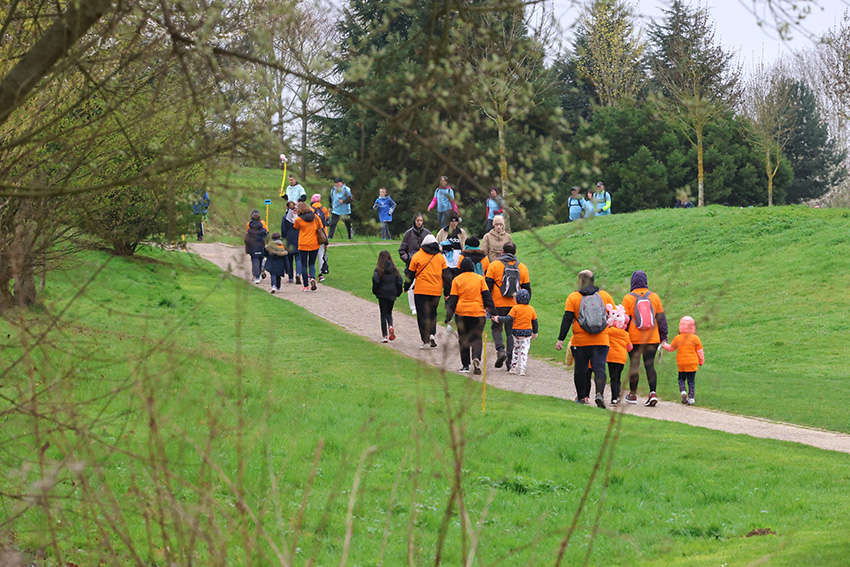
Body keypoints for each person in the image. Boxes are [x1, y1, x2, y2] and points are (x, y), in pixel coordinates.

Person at [554, 270, 615, 406]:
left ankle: (581, 397)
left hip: (580, 342)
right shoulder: (605, 296)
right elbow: (613, 316)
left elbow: (567, 319)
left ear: (581, 281)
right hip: (601, 340)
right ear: (593, 280)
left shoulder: (574, 297)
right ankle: (599, 394)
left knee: (580, 370)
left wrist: (561, 339)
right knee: (599, 368)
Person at [621, 270, 668, 406]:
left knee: (634, 366)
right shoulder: (654, 297)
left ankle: (633, 394)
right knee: (650, 365)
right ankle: (652, 392)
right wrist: (663, 336)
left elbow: (625, 320)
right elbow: (661, 319)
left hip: (634, 339)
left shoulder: (628, 298)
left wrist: (623, 337)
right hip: (652, 338)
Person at [444, 257, 495, 374]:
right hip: (477, 313)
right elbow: (487, 297)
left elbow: (452, 300)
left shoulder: (457, 280)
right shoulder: (480, 279)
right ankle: (476, 357)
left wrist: (448, 317)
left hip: (462, 313)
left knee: (463, 338)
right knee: (477, 337)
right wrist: (493, 312)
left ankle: (465, 365)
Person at [485, 241, 531, 371]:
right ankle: (510, 361)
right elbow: (527, 289)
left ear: (503, 252)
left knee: (496, 328)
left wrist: (488, 305)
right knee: (510, 332)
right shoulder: (522, 267)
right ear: (515, 253)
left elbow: (487, 287)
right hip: (514, 305)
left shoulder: (494, 265)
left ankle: (500, 350)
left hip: (497, 303)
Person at [404, 234, 447, 349]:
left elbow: (410, 274)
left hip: (421, 290)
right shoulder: (440, 257)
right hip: (436, 290)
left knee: (422, 314)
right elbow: (446, 276)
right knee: (432, 313)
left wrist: (406, 286)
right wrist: (447, 292)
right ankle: (432, 333)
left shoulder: (417, 256)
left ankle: (425, 340)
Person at [492, 288, 538, 376]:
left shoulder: (515, 308)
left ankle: (513, 367)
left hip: (516, 333)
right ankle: (522, 369)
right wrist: (535, 332)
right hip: (527, 334)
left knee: (516, 350)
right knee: (524, 351)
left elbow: (508, 318)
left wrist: (498, 319)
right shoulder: (531, 309)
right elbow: (535, 322)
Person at [661, 316, 705, 405]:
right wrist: (701, 361)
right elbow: (700, 352)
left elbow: (671, 348)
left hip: (681, 363)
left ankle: (683, 391)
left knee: (681, 378)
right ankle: (691, 397)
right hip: (692, 363)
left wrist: (664, 345)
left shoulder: (678, 338)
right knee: (691, 381)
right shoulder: (695, 338)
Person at [398, 213, 431, 316]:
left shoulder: (427, 233)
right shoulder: (408, 234)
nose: (419, 223)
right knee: (411, 285)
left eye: (421, 221)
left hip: (425, 264)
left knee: (425, 285)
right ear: (414, 221)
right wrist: (408, 259)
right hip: (412, 263)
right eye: (418, 221)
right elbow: (402, 250)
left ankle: (425, 306)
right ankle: (413, 307)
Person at [372, 250, 403, 343]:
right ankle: (390, 325)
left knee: (383, 314)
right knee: (389, 312)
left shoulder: (379, 269)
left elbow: (375, 280)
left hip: (382, 294)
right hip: (392, 294)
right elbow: (400, 281)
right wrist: (397, 292)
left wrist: (376, 291)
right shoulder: (395, 270)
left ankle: (385, 335)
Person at [293, 202, 322, 291]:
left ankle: (306, 285)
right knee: (312, 263)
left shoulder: (299, 220)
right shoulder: (316, 217)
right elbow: (320, 227)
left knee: (304, 264)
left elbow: (295, 227)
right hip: (314, 243)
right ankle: (312, 278)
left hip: (303, 244)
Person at [244, 209, 268, 284]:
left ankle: (256, 275)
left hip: (253, 246)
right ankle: (260, 269)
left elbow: (246, 237)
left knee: (254, 260)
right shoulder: (263, 226)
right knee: (260, 258)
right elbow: (267, 234)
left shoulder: (249, 227)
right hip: (261, 245)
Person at [310, 194, 330, 281]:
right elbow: (328, 222)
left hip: (313, 234)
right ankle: (321, 274)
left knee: (311, 255)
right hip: (322, 234)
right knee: (321, 254)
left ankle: (310, 274)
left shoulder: (310, 210)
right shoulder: (324, 209)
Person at [281, 201, 301, 284]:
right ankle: (298, 273)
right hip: (299, 238)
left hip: (289, 239)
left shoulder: (285, 218)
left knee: (289, 259)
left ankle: (290, 277)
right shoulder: (299, 217)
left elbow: (283, 230)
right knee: (298, 258)